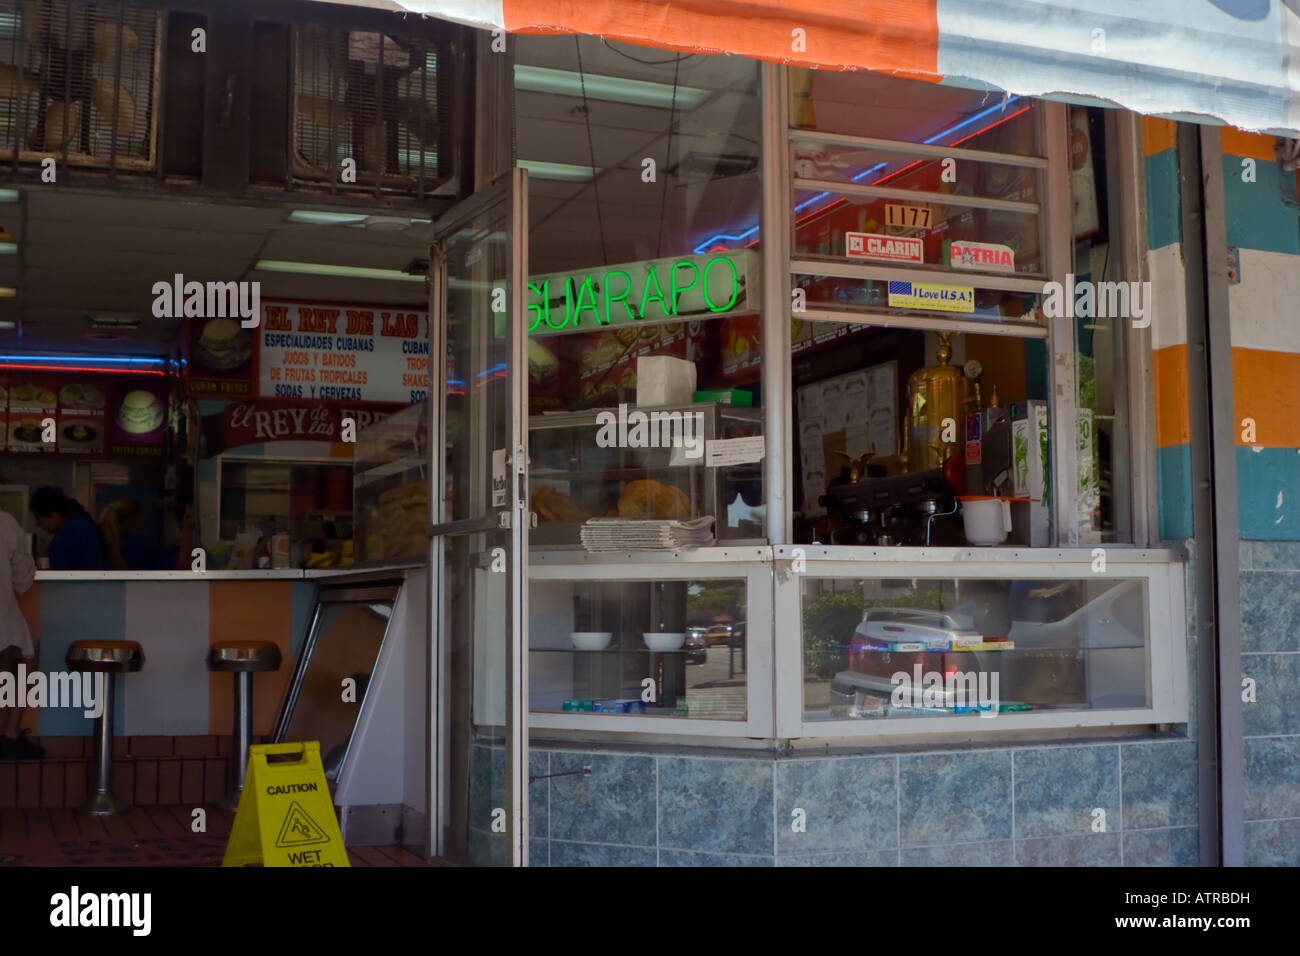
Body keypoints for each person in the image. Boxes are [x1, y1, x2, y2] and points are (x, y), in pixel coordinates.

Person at [0, 508, 43, 759]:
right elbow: (24, 579)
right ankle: (11, 734)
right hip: (3, 616)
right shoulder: (5, 522)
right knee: (26, 656)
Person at [30, 487, 108, 571]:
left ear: (55, 515)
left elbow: (57, 580)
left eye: (39, 520)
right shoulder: (84, 525)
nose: (37, 524)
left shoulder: (63, 540)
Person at [99, 497, 175, 571]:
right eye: (139, 522)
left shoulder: (99, 543)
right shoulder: (135, 545)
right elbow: (178, 568)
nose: (138, 526)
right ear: (131, 520)